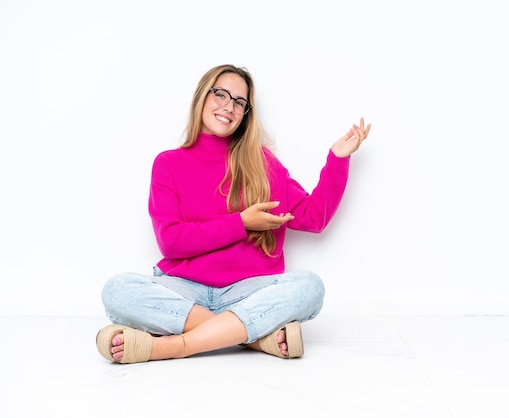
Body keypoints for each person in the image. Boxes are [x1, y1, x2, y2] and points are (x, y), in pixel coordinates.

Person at [96, 64, 371, 364]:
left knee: (309, 288)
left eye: (239, 102)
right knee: (117, 291)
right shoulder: (168, 163)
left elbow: (313, 217)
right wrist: (241, 223)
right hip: (184, 288)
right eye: (221, 95)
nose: (229, 107)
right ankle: (251, 337)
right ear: (202, 96)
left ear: (245, 114)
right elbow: (171, 241)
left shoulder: (262, 164)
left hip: (247, 290)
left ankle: (174, 346)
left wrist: (338, 159)